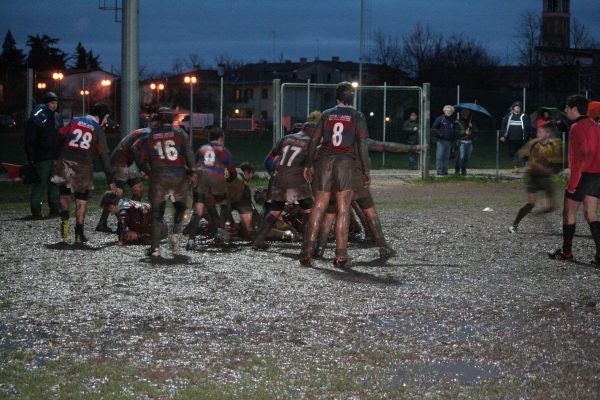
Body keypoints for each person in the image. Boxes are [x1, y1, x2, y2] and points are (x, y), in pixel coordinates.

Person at [301, 82, 370, 268]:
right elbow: (363, 145)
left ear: (337, 98)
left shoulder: (326, 114)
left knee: (318, 207)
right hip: (345, 163)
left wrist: (308, 163)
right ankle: (340, 255)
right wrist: (366, 170)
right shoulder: (358, 116)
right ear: (352, 98)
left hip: (325, 161)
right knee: (343, 209)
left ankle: (307, 251)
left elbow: (314, 139)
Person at [132, 114, 196, 258]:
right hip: (178, 178)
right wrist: (193, 172)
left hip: (159, 179)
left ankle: (155, 248)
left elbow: (137, 152)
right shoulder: (180, 133)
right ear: (171, 120)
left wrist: (147, 170)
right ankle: (175, 234)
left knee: (157, 214)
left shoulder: (150, 136)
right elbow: (189, 154)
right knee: (181, 208)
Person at [52, 103, 116, 244]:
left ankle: (65, 226)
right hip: (83, 165)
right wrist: (110, 179)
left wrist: (56, 158)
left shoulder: (74, 121)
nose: (105, 121)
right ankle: (79, 234)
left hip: (65, 161)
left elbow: (60, 136)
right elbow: (104, 156)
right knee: (81, 200)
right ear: (100, 116)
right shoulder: (98, 129)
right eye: (105, 118)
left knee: (64, 195)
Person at [549, 95, 600, 265]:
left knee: (568, 213)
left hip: (582, 176)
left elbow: (579, 157)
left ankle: (567, 253)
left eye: (566, 107)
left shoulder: (576, 127)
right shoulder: (595, 125)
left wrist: (572, 184)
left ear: (573, 108)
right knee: (591, 214)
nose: (565, 111)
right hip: (596, 175)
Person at [253, 119, 316, 250]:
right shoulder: (311, 142)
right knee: (308, 210)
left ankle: (258, 241)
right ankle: (307, 244)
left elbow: (269, 158)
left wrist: (274, 172)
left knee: (275, 211)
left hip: (278, 178)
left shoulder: (286, 138)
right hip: (297, 180)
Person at [186, 127, 237, 249]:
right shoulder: (224, 150)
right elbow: (232, 172)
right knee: (225, 204)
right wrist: (228, 179)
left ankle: (191, 241)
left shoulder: (202, 149)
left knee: (198, 211)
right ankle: (219, 231)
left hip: (201, 180)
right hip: (215, 179)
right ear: (221, 138)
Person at [509, 121, 562, 233]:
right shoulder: (533, 143)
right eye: (538, 131)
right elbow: (519, 155)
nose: (538, 134)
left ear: (548, 134)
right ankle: (514, 224)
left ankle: (534, 214)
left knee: (551, 207)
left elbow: (558, 165)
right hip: (532, 176)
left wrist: (549, 170)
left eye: (541, 132)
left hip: (544, 177)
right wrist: (517, 166)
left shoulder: (555, 145)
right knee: (530, 203)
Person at [95, 126, 151, 232]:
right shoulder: (148, 134)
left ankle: (132, 219)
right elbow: (135, 149)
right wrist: (143, 169)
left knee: (138, 189)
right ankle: (104, 223)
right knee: (117, 193)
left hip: (126, 161)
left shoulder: (147, 132)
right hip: (120, 161)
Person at [24, 92, 61, 219]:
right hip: (43, 156)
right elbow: (31, 138)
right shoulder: (41, 118)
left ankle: (52, 209)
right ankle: (37, 210)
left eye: (56, 103)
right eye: (52, 103)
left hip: (51, 156)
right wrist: (32, 155)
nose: (54, 105)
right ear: (46, 103)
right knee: (42, 184)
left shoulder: (49, 117)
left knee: (52, 183)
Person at [99, 191, 167, 245]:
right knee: (128, 234)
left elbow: (122, 224)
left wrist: (120, 240)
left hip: (158, 232)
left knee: (128, 236)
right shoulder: (125, 201)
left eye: (109, 209)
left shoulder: (122, 210)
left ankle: (139, 235)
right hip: (161, 225)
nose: (110, 212)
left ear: (111, 206)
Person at [500, 101, 531, 174]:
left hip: (523, 139)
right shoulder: (508, 116)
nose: (518, 108)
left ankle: (527, 167)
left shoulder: (524, 116)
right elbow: (503, 126)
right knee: (513, 153)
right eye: (516, 107)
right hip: (511, 139)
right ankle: (515, 167)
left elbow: (529, 127)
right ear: (513, 108)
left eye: (519, 107)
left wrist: (529, 136)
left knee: (525, 152)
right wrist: (502, 136)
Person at [432, 105, 458, 175]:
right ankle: (439, 171)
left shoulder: (452, 120)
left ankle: (445, 170)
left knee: (446, 157)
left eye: (450, 111)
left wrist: (453, 138)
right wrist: (440, 134)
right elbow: (434, 128)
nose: (449, 112)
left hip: (449, 141)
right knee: (440, 156)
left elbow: (455, 130)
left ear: (452, 112)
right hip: (441, 141)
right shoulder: (440, 118)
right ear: (444, 111)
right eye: (447, 111)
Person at [454, 109, 475, 176]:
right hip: (461, 142)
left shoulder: (471, 122)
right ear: (462, 114)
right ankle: (457, 170)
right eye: (464, 113)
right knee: (461, 157)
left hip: (469, 142)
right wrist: (464, 132)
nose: (466, 115)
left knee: (467, 157)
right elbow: (455, 133)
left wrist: (472, 128)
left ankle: (464, 169)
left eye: (467, 113)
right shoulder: (457, 122)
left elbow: (475, 133)